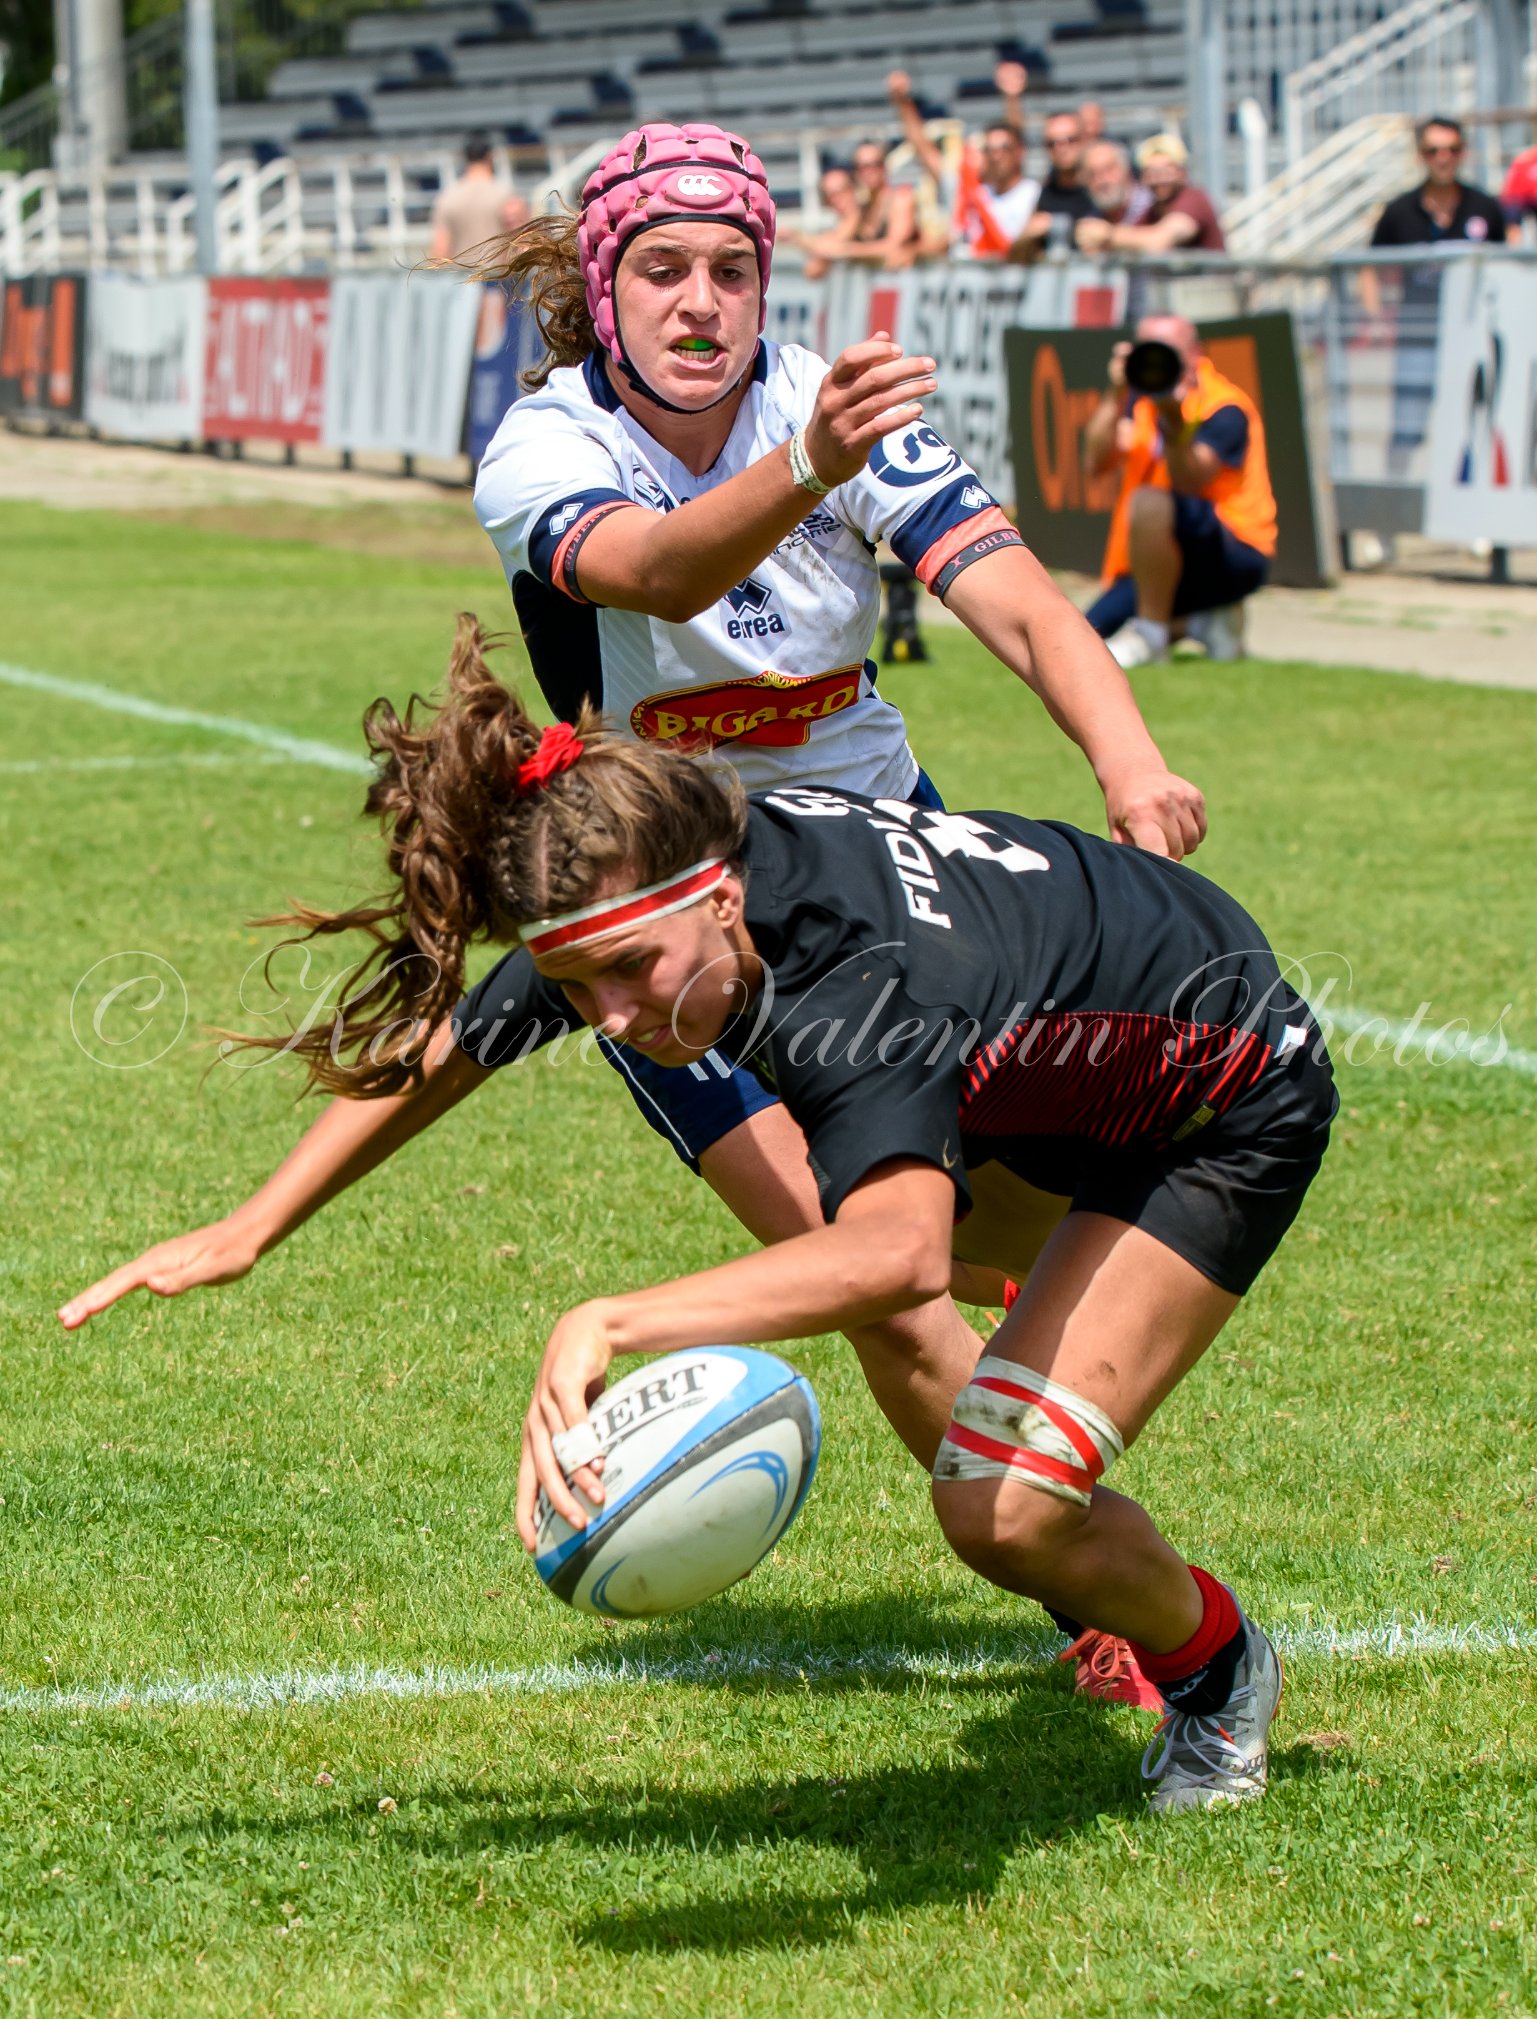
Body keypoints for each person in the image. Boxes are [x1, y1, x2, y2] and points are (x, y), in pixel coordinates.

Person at [66, 117, 1210, 1715]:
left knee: (972, 1231)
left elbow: (1011, 593)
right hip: (671, 910)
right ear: (601, 289)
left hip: (886, 874)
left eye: (732, 269)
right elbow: (662, 575)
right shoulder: (545, 443)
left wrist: (1129, 756)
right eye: (660, 270)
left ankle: (1054, 1445)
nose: (700, 303)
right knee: (862, 1262)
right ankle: (1080, 1576)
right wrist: (252, 1223)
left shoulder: (826, 402)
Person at [84, 631, 1326, 1810]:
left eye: (629, 972)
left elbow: (899, 1260)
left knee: (996, 1500)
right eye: (582, 984)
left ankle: (1218, 1673)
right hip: (1057, 1068)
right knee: (925, 1258)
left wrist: (608, 1318)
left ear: (724, 901)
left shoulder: (858, 987)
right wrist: (253, 1224)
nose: (612, 1014)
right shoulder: (656, 887)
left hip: (1220, 1103)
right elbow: (462, 1042)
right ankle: (1060, 1311)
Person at [1083, 314, 1277, 670]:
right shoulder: (1135, 397)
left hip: (1232, 549)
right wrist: (1116, 392)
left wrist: (1172, 421)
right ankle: (1205, 624)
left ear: (1195, 353)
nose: (1157, 361)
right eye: (1147, 350)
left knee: (1150, 500)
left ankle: (1152, 636)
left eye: (1167, 351)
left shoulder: (1224, 405)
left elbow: (1191, 481)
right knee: (1088, 631)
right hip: (1159, 555)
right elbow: (1095, 463)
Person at [1362, 117, 1507, 482]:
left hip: (1474, 339)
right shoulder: (1399, 212)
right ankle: (1391, 519)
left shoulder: (1485, 207)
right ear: (1420, 156)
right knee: (1407, 429)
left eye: (1452, 149)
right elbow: (1367, 268)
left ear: (1463, 153)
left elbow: (1508, 264)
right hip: (1418, 340)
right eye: (1433, 150)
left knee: (1476, 427)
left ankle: (1474, 520)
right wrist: (1376, 318)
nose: (1443, 158)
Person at [887, 63, 1042, 259]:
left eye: (1004, 149)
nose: (997, 156)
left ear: (1019, 152)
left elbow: (1014, 134)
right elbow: (923, 149)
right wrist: (903, 103)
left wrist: (1012, 99)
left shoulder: (1032, 193)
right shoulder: (967, 191)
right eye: (990, 149)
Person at [1077, 133, 1225, 255]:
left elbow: (1160, 241)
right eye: (1152, 172)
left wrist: (1107, 235)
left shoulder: (1193, 199)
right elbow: (1135, 239)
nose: (1160, 179)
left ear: (1182, 173)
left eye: (1167, 170)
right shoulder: (1151, 212)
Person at [796, 138, 920, 276]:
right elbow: (833, 243)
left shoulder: (901, 199)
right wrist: (798, 240)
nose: (868, 171)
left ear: (885, 166)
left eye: (874, 164)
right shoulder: (863, 208)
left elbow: (894, 246)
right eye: (862, 166)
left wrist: (848, 250)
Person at [430, 133, 529, 263]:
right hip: (499, 277)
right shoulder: (505, 194)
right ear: (490, 156)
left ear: (465, 157)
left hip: (463, 277)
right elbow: (523, 241)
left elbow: (440, 251)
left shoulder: (447, 197)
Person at [1025, 108, 1096, 250]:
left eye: (1070, 140)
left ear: (1085, 140)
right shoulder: (1040, 192)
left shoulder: (1101, 186)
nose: (1061, 149)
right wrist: (1027, 236)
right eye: (1052, 143)